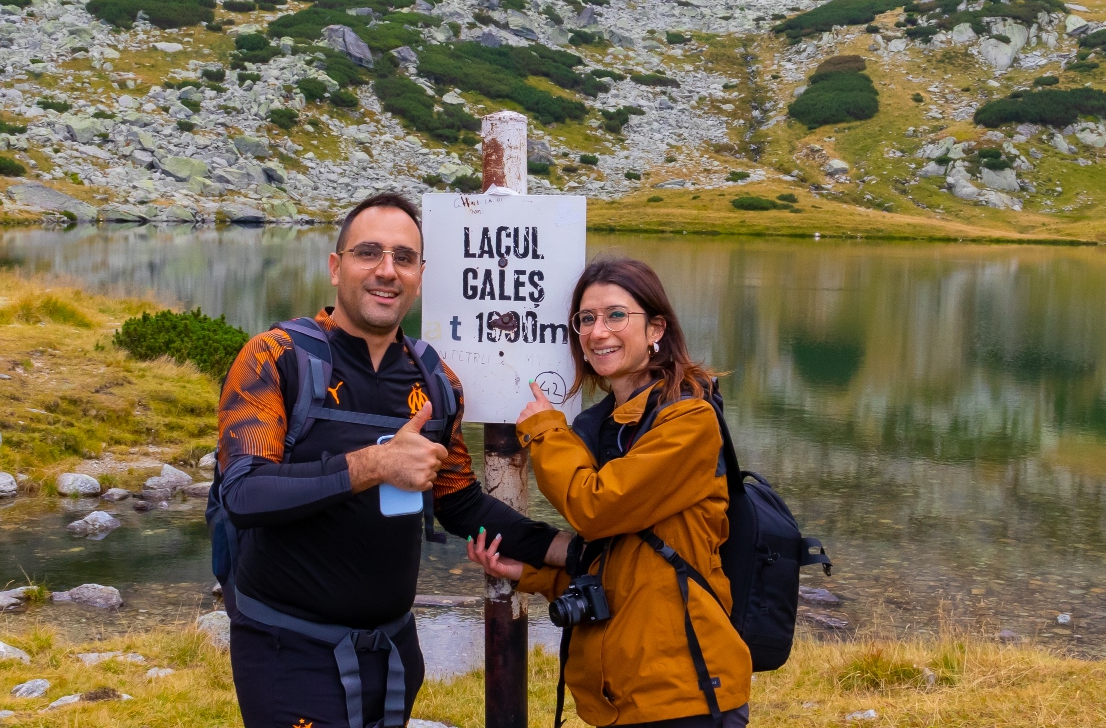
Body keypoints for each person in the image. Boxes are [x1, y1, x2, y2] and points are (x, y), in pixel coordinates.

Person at [216, 191, 570, 728]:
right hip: (286, 650)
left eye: (404, 258)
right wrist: (374, 466)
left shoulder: (436, 382)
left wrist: (567, 548)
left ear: (420, 274)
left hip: (395, 650)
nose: (387, 271)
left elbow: (459, 503)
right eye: (368, 253)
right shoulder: (276, 357)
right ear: (336, 268)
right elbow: (244, 492)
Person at [467, 256, 752, 728]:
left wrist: (543, 430)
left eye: (617, 315)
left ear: (655, 327)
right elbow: (629, 562)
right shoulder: (602, 427)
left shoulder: (689, 421)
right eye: (586, 319)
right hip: (625, 696)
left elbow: (596, 508)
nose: (599, 332)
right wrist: (534, 573)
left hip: (686, 693)